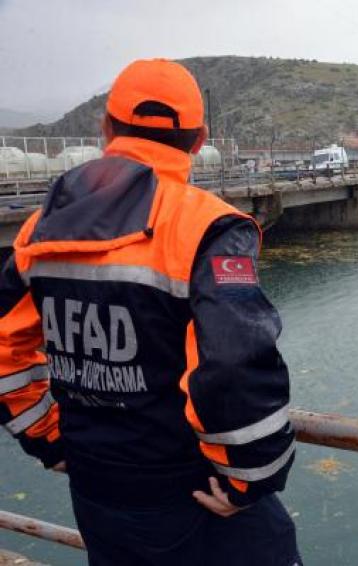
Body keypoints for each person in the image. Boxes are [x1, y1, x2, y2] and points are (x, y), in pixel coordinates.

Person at [0, 59, 301, 565]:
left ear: (106, 128)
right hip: (189, 491)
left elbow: (5, 352)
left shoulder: (39, 230)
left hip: (97, 490)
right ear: (199, 138)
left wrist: (49, 440)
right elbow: (232, 362)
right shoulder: (208, 227)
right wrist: (250, 479)